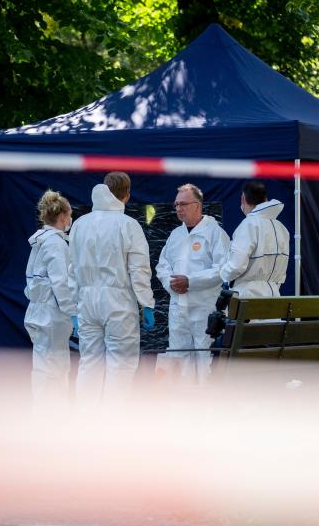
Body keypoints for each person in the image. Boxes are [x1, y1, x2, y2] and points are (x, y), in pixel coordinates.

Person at [69, 172, 155, 403]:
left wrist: (73, 310)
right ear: (126, 195)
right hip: (118, 302)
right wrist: (146, 303)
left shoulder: (79, 224)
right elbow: (139, 270)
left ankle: (86, 421)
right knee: (121, 365)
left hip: (86, 303)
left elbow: (71, 269)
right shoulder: (128, 225)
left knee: (89, 364)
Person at [155, 184, 230, 385]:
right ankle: (181, 408)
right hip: (178, 308)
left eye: (183, 204)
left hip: (204, 309)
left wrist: (191, 282)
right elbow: (162, 266)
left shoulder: (215, 233)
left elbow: (222, 268)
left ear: (197, 205)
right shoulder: (175, 235)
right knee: (178, 358)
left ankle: (206, 407)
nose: (178, 208)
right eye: (176, 204)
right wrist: (171, 284)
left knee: (205, 359)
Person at [24, 190, 76, 404]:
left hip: (38, 312)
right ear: (63, 216)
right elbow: (60, 282)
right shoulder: (55, 243)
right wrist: (72, 311)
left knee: (43, 367)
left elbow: (31, 282)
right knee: (55, 369)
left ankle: (44, 416)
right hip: (52, 316)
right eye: (70, 214)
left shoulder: (39, 241)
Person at [220, 182, 289, 297]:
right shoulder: (281, 228)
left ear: (243, 199)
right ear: (266, 199)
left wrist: (223, 274)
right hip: (274, 296)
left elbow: (236, 266)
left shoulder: (248, 225)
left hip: (247, 297)